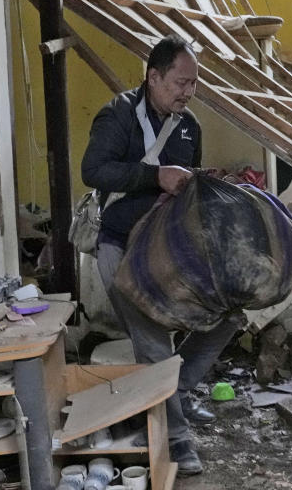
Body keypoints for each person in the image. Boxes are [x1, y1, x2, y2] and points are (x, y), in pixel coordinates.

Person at [80, 34, 240, 476]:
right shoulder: (118, 116)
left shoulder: (190, 127)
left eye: (194, 84)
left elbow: (189, 189)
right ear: (153, 77)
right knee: (151, 338)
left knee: (229, 315)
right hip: (121, 245)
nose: (188, 92)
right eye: (180, 83)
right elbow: (92, 170)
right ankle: (176, 437)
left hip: (172, 249)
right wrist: (156, 176)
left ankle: (172, 392)